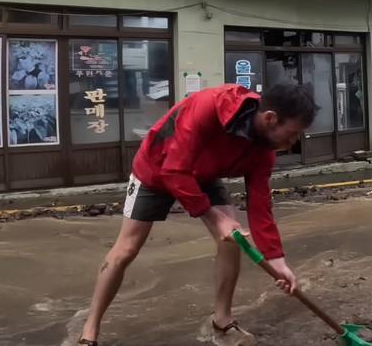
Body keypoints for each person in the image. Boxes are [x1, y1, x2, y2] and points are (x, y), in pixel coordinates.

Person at [77, 83, 317, 346]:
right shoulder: (209, 107)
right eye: (292, 134)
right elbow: (174, 171)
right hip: (157, 170)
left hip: (203, 174)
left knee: (233, 238)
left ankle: (222, 321)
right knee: (126, 249)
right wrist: (215, 217)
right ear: (270, 118)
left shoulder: (263, 150)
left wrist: (277, 259)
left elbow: (260, 204)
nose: (292, 143)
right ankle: (90, 331)